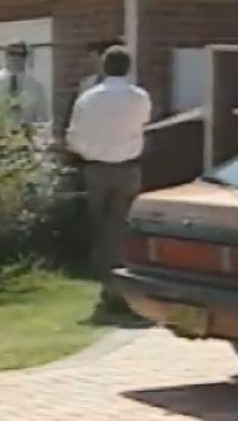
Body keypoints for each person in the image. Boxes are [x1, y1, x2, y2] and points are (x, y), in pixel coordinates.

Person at [66, 46, 151, 316]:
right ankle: (124, 287)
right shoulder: (140, 97)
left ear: (104, 67)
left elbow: (73, 136)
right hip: (128, 169)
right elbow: (143, 124)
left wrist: (86, 149)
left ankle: (109, 287)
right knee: (125, 229)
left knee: (101, 230)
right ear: (128, 68)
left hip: (97, 169)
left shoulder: (88, 99)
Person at [0, 42, 49, 127]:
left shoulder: (36, 87)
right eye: (11, 53)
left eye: (20, 54)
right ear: (5, 55)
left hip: (26, 135)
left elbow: (42, 119)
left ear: (25, 58)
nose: (15, 57)